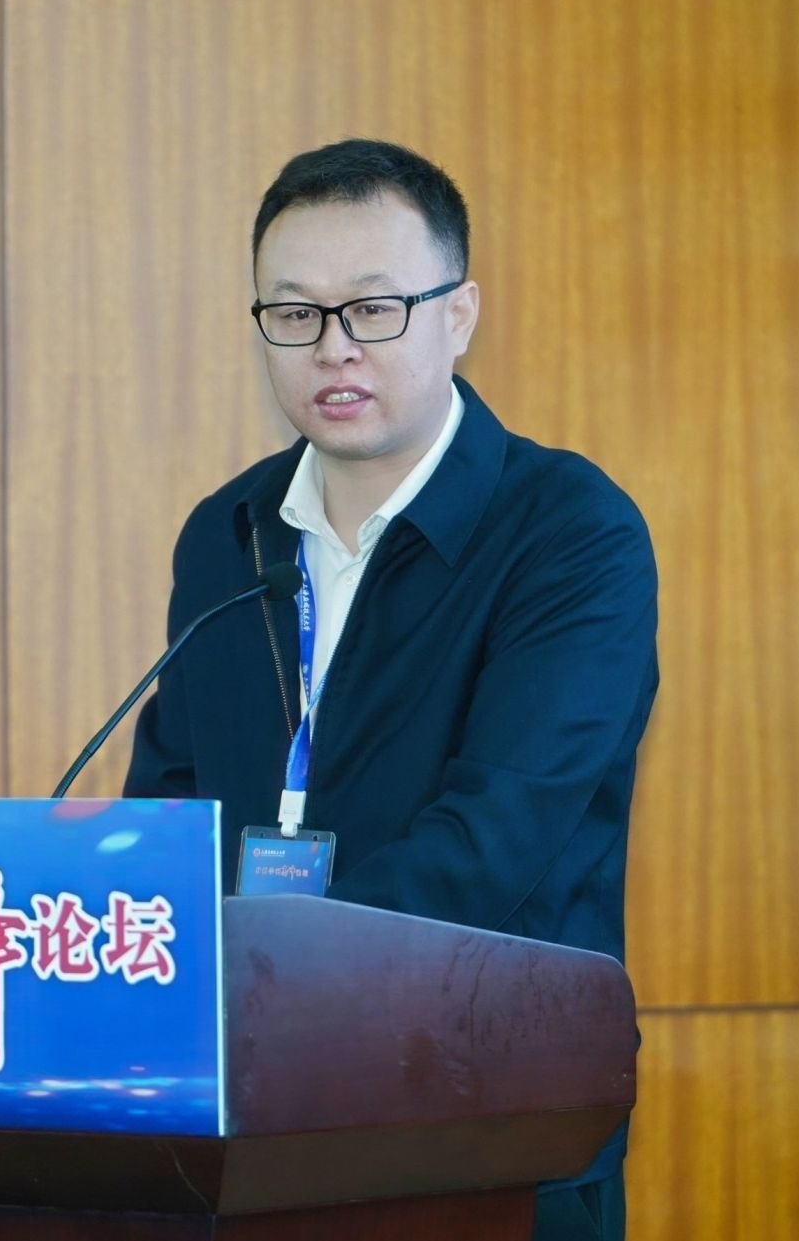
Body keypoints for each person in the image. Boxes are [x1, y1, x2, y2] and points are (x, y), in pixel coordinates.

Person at [122, 139, 657, 1241]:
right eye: (294, 312)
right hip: (239, 1126)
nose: (333, 346)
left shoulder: (567, 532)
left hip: (484, 1123)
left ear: (458, 315)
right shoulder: (229, 535)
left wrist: (263, 969)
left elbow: (493, 841)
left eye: (373, 308)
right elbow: (168, 808)